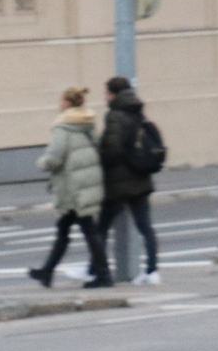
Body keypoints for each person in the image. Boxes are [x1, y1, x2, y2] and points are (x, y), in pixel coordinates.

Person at [30, 88, 109, 290]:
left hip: (73, 185)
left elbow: (55, 157)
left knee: (87, 230)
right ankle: (47, 272)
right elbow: (97, 146)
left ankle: (103, 275)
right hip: (86, 181)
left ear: (67, 103)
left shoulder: (63, 127)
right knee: (67, 228)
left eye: (62, 100)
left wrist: (42, 163)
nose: (59, 104)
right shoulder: (87, 123)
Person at [96, 75, 163, 285]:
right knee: (145, 226)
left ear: (113, 94)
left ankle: (97, 270)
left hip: (119, 181)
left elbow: (113, 149)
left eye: (107, 93)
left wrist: (101, 160)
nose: (105, 97)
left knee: (101, 228)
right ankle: (152, 271)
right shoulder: (137, 110)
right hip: (141, 177)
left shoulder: (115, 115)